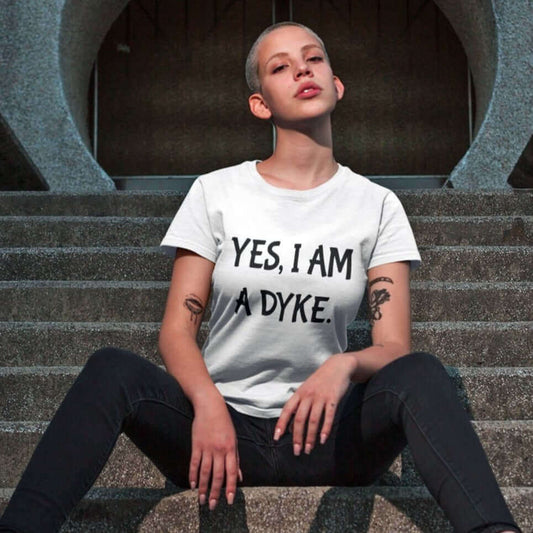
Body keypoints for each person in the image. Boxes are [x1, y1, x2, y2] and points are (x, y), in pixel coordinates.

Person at [0, 22, 521, 533]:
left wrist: (344, 365)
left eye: (314, 58)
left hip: (328, 437)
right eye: (281, 66)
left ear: (336, 85)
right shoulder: (216, 192)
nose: (302, 70)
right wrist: (207, 406)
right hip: (220, 440)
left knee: (422, 373)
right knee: (111, 369)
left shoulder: (377, 205)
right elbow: (176, 332)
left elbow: (393, 347)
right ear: (260, 103)